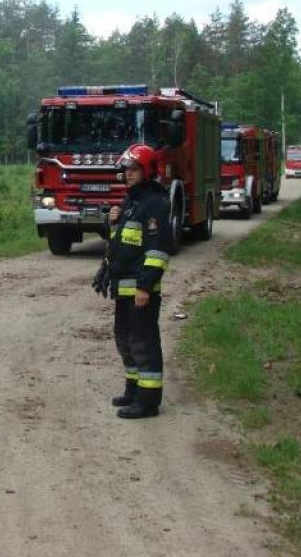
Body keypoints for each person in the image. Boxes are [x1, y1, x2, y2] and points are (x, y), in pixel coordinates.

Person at [99, 144, 172, 419]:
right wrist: (112, 223)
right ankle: (133, 390)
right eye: (126, 169)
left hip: (141, 290)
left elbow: (157, 250)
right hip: (124, 288)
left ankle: (149, 400)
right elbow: (122, 243)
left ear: (147, 171)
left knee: (144, 343)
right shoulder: (131, 202)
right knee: (125, 341)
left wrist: (145, 286)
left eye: (133, 169)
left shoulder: (155, 204)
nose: (127, 174)